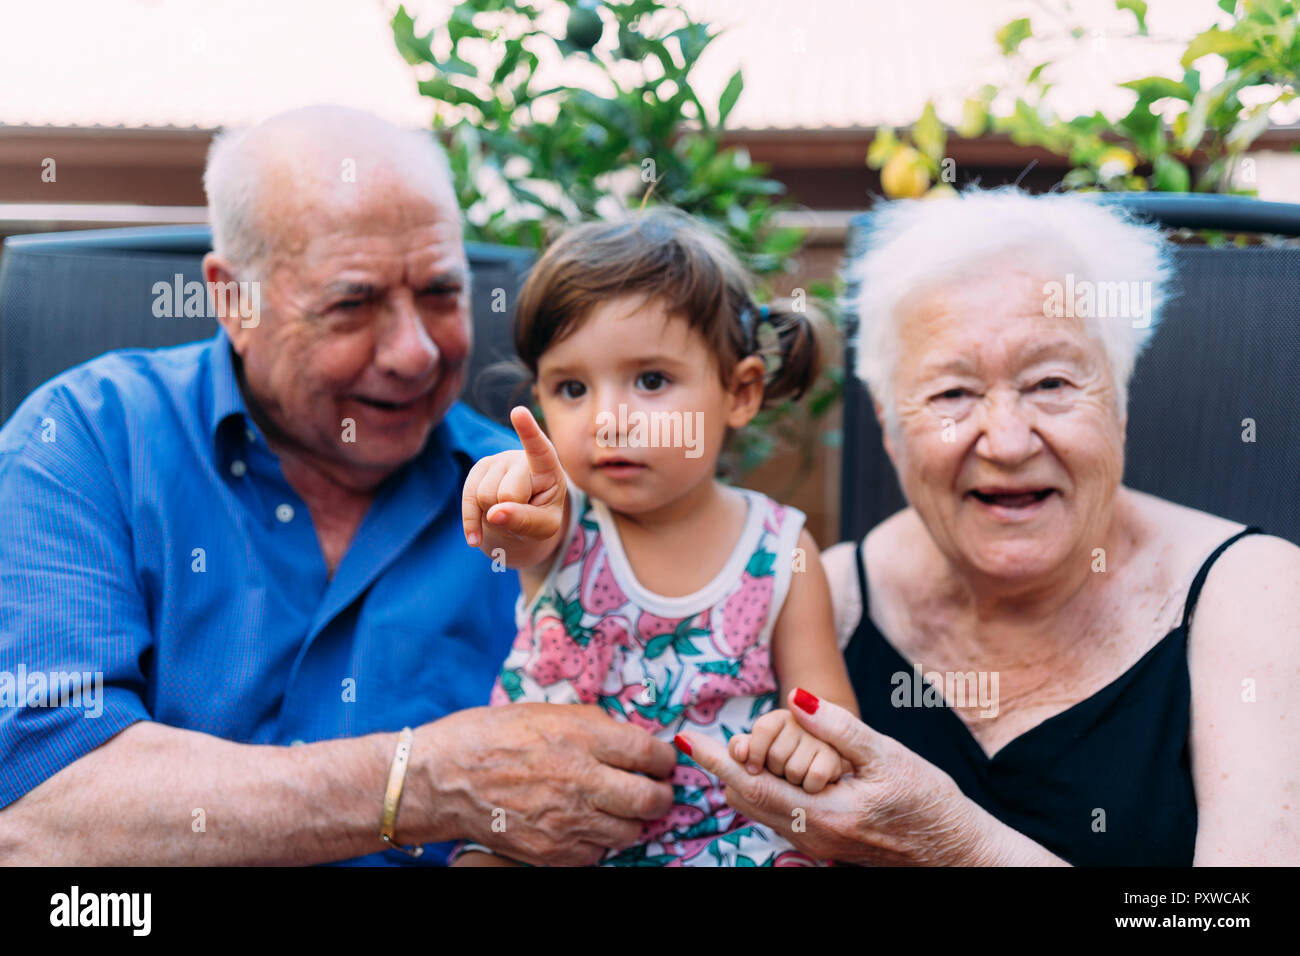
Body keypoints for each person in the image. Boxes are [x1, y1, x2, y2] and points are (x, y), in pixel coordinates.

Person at [0, 105, 676, 866]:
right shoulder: (86, 441)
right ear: (234, 301)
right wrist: (427, 783)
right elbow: (38, 812)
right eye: (353, 303)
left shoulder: (540, 505)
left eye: (441, 295)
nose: (415, 353)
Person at [678, 188, 1300, 865]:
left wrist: (959, 848)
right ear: (889, 430)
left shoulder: (1254, 597)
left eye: (1052, 383)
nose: (1006, 442)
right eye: (952, 393)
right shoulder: (828, 598)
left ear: (1119, 403)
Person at [455, 208, 858, 866]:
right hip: (548, 836)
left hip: (725, 842)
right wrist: (505, 492)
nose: (609, 420)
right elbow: (517, 540)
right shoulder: (563, 521)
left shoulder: (781, 549)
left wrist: (805, 738)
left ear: (740, 392)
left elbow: (828, 711)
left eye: (650, 381)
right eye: (573, 388)